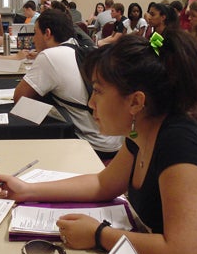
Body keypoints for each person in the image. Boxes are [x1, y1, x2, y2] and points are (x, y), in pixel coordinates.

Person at [0, 30, 197, 254]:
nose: (91, 103)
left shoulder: (179, 145)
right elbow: (104, 183)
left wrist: (99, 234)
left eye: (99, 91)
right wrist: (27, 190)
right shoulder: (141, 132)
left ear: (136, 102)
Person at [14, 9, 122, 159]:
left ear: (47, 33)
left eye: (35, 32)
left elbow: (19, 98)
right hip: (115, 142)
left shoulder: (50, 56)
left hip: (91, 145)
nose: (33, 39)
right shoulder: (87, 49)